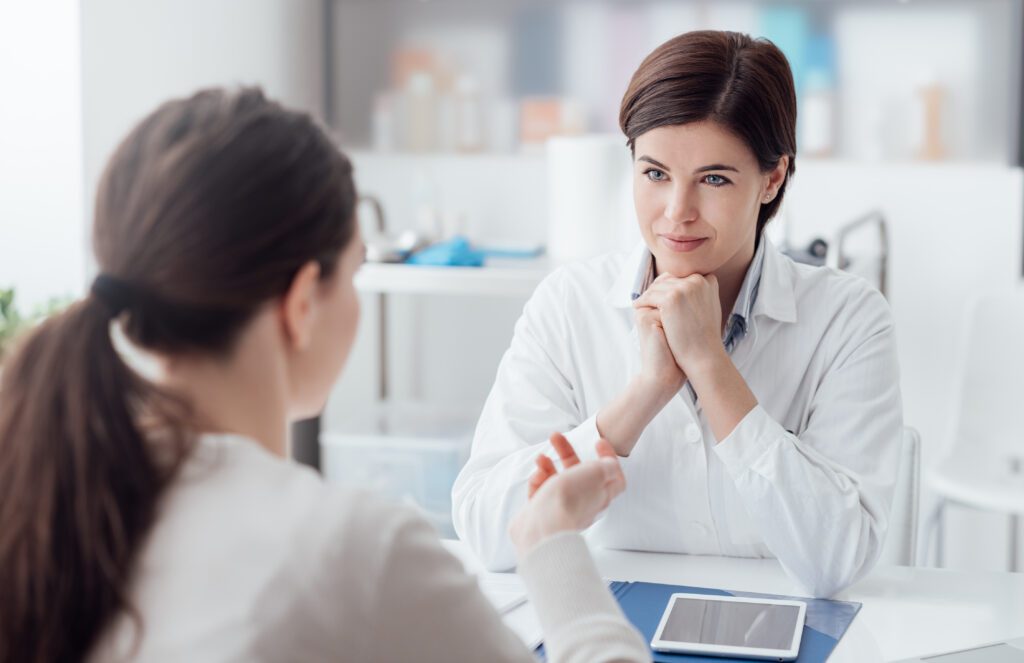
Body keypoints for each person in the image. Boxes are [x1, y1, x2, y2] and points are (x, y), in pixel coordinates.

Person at [0, 88, 648, 663]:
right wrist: (551, 544)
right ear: (302, 302)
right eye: (357, 269)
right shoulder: (353, 552)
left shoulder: (42, 494)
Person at [453, 30, 903, 598]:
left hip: (781, 623)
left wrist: (709, 365)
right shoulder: (567, 304)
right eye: (655, 173)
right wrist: (643, 394)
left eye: (713, 179)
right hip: (609, 628)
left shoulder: (849, 319)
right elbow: (488, 533)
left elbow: (837, 560)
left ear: (773, 178)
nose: (676, 212)